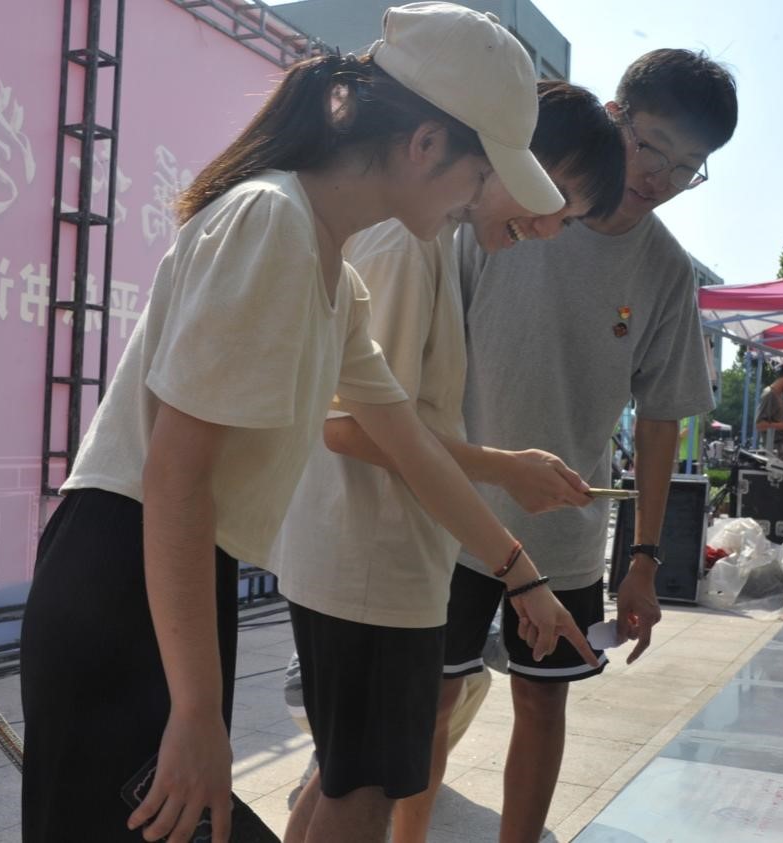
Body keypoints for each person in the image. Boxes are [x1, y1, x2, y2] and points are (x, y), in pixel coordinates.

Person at [18, 5, 595, 840]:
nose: (474, 203)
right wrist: (197, 711)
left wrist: (521, 575)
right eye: (478, 177)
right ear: (425, 143)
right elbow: (174, 473)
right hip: (123, 575)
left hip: (170, 578)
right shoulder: (273, 222)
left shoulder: (332, 269)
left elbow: (406, 440)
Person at [270, 79, 624, 843]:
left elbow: (392, 426)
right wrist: (505, 486)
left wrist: (511, 532)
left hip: (376, 558)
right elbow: (351, 429)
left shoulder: (424, 240)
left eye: (570, 217)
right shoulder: (407, 242)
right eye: (552, 197)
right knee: (363, 788)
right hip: (367, 560)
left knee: (343, 777)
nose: (550, 227)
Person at [403, 48, 739, 843]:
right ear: (613, 116)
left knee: (542, 696)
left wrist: (645, 556)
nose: (660, 176)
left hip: (563, 531)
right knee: (431, 699)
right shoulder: (505, 212)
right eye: (652, 146)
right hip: (453, 508)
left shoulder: (665, 269)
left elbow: (661, 417)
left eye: (687, 167)